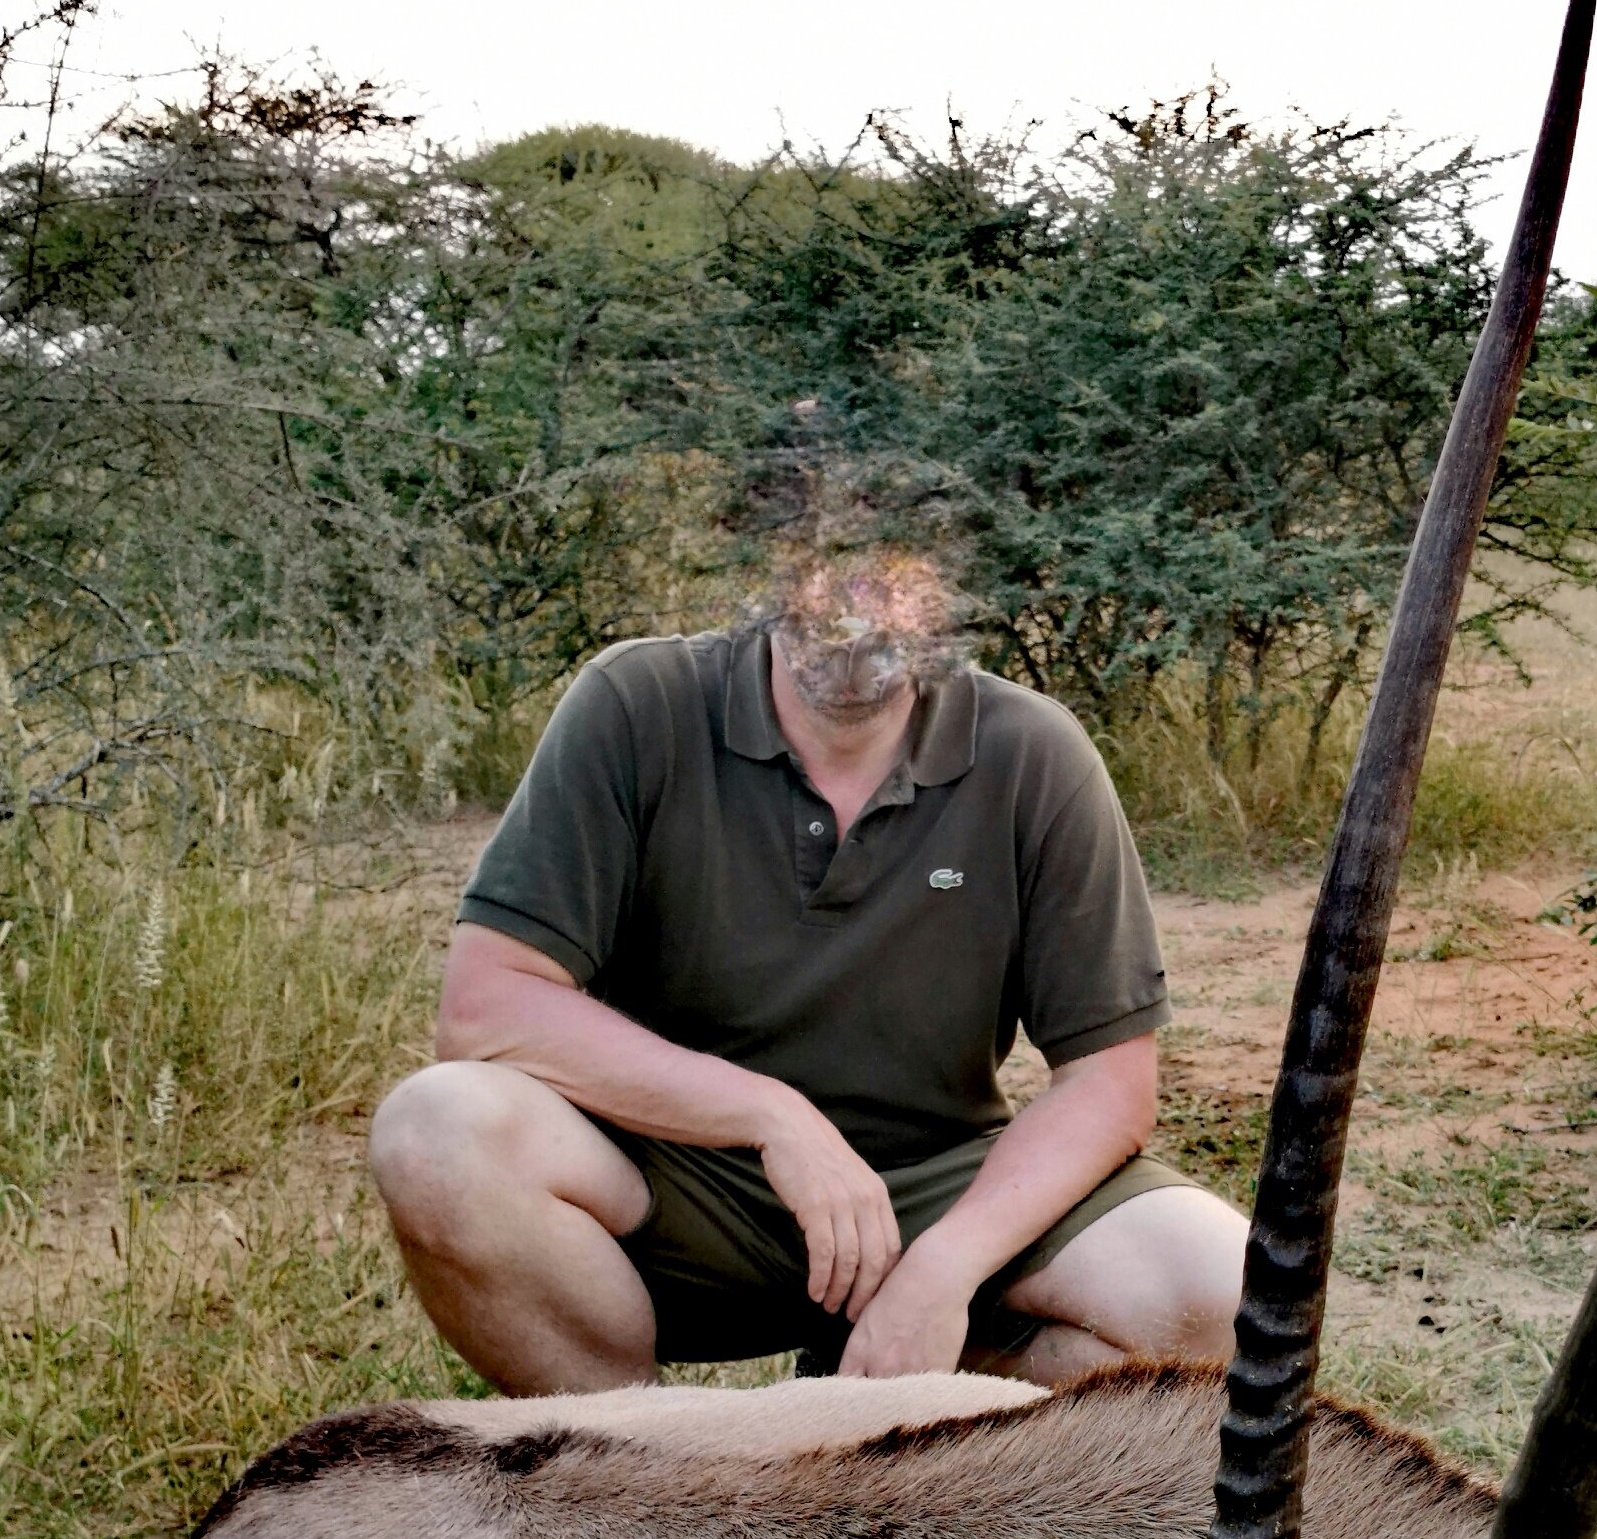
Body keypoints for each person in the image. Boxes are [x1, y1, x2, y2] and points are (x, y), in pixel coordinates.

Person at [368, 543, 1247, 1391]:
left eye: (893, 569)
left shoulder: (1035, 751)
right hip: (677, 1181)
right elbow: (487, 1007)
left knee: (1226, 1294)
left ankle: (891, 1414)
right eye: (823, 558)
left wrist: (941, 1269)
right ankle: (641, 1466)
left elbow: (1111, 1085)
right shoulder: (636, 701)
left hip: (939, 1185)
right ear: (763, 560)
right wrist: (769, 1116)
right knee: (435, 1131)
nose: (855, 603)